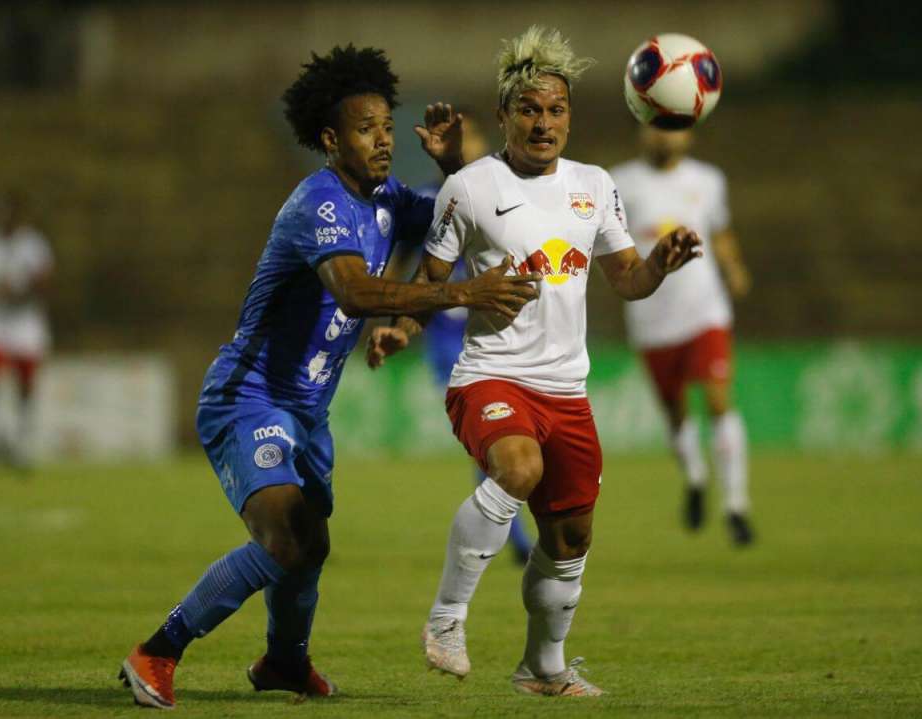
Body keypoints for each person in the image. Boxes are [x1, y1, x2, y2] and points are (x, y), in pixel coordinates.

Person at [118, 45, 542, 710]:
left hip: (307, 411)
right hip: (248, 397)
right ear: (329, 139)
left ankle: (285, 662)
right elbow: (353, 292)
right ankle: (157, 651)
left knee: (311, 543)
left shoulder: (385, 199)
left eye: (385, 125)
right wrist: (464, 295)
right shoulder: (319, 203)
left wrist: (458, 165)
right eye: (365, 128)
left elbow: (463, 218)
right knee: (286, 535)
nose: (382, 139)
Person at [367, 26, 703, 697]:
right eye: (529, 109)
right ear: (503, 117)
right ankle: (446, 618)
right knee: (519, 467)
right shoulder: (467, 187)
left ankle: (543, 667)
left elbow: (627, 279)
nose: (543, 122)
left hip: (566, 391)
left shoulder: (595, 186)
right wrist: (401, 326)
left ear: (569, 116)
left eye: (555, 110)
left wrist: (659, 267)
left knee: (570, 539)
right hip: (489, 375)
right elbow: (432, 275)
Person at [609, 127, 754, 545]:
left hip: (704, 309)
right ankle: (694, 477)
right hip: (652, 318)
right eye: (656, 125)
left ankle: (736, 506)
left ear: (688, 133)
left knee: (718, 399)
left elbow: (721, 232)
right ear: (641, 129)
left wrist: (734, 267)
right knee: (674, 410)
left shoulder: (708, 180)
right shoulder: (621, 182)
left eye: (673, 127)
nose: (664, 136)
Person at [417, 115, 534, 565]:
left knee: (512, 441)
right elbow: (410, 263)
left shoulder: (512, 195)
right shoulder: (427, 200)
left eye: (471, 137)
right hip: (451, 340)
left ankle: (516, 535)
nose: (463, 147)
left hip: (508, 335)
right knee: (493, 436)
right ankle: (517, 539)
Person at [0, 191, 54, 468]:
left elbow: (44, 280)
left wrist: (21, 290)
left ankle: (22, 441)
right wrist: (2, 290)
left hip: (26, 321)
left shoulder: (33, 244)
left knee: (25, 383)